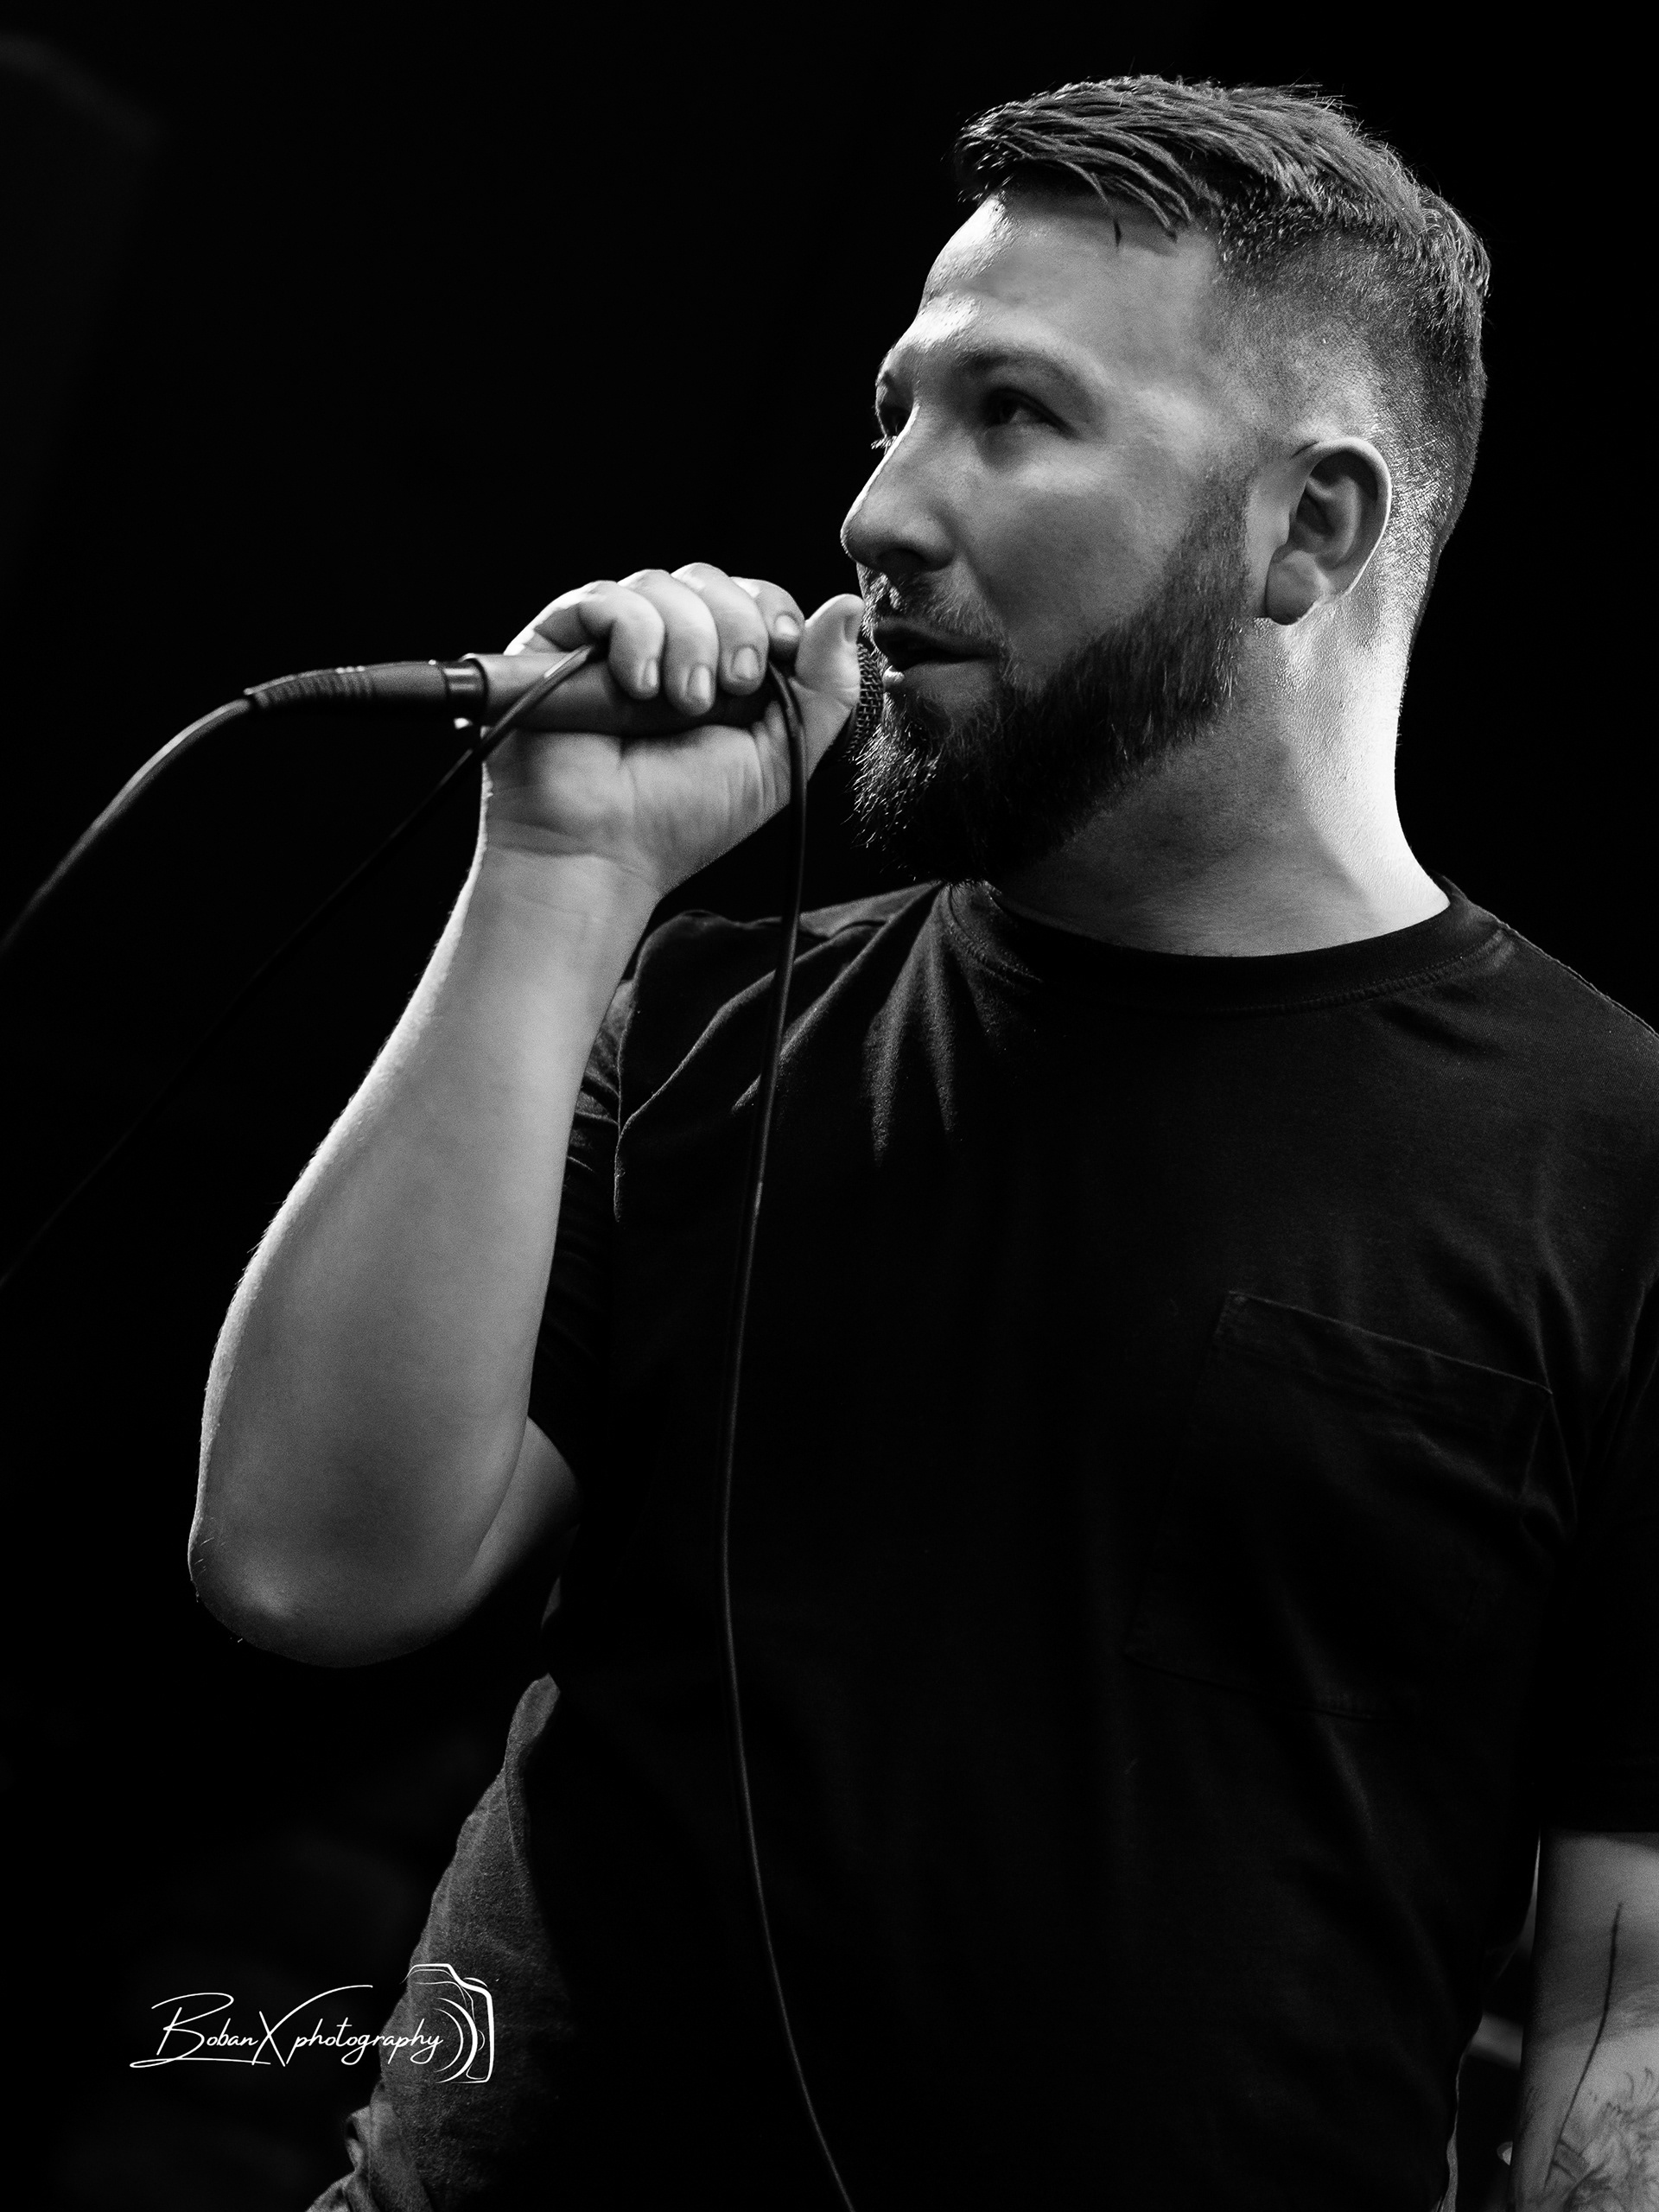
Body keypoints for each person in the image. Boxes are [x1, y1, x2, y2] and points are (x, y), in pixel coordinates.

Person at [191, 75, 1659, 2211]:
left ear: (1310, 531)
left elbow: (1629, 1993)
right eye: (894, 410)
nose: (878, 508)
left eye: (1013, 416)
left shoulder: (1614, 1155)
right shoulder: (713, 1012)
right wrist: (557, 871)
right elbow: (306, 1562)